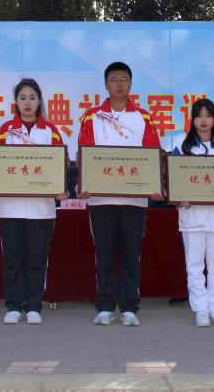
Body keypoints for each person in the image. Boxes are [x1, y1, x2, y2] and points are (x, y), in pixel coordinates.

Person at [78, 61, 163, 327]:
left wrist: (155, 185)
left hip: (134, 200)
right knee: (103, 252)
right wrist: (85, 182)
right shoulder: (92, 117)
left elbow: (153, 154)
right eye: (114, 79)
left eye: (124, 79)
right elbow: (84, 153)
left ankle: (129, 307)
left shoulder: (143, 117)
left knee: (131, 252)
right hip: (100, 198)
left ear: (131, 84)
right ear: (106, 84)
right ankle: (105, 306)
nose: (119, 84)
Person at [0, 78, 66, 325]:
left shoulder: (50, 131)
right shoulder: (5, 130)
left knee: (37, 258)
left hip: (41, 209)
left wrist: (60, 188)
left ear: (39, 101)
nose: (27, 103)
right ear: (16, 102)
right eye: (23, 98)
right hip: (10, 208)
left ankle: (34, 306)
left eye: (32, 98)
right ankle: (13, 306)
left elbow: (59, 165)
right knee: (12, 258)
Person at [171, 98, 214, 328]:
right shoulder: (181, 147)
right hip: (192, 216)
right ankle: (200, 309)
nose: (203, 120)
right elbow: (174, 181)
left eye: (208, 115)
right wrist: (180, 198)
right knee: (194, 265)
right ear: (192, 119)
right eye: (199, 115)